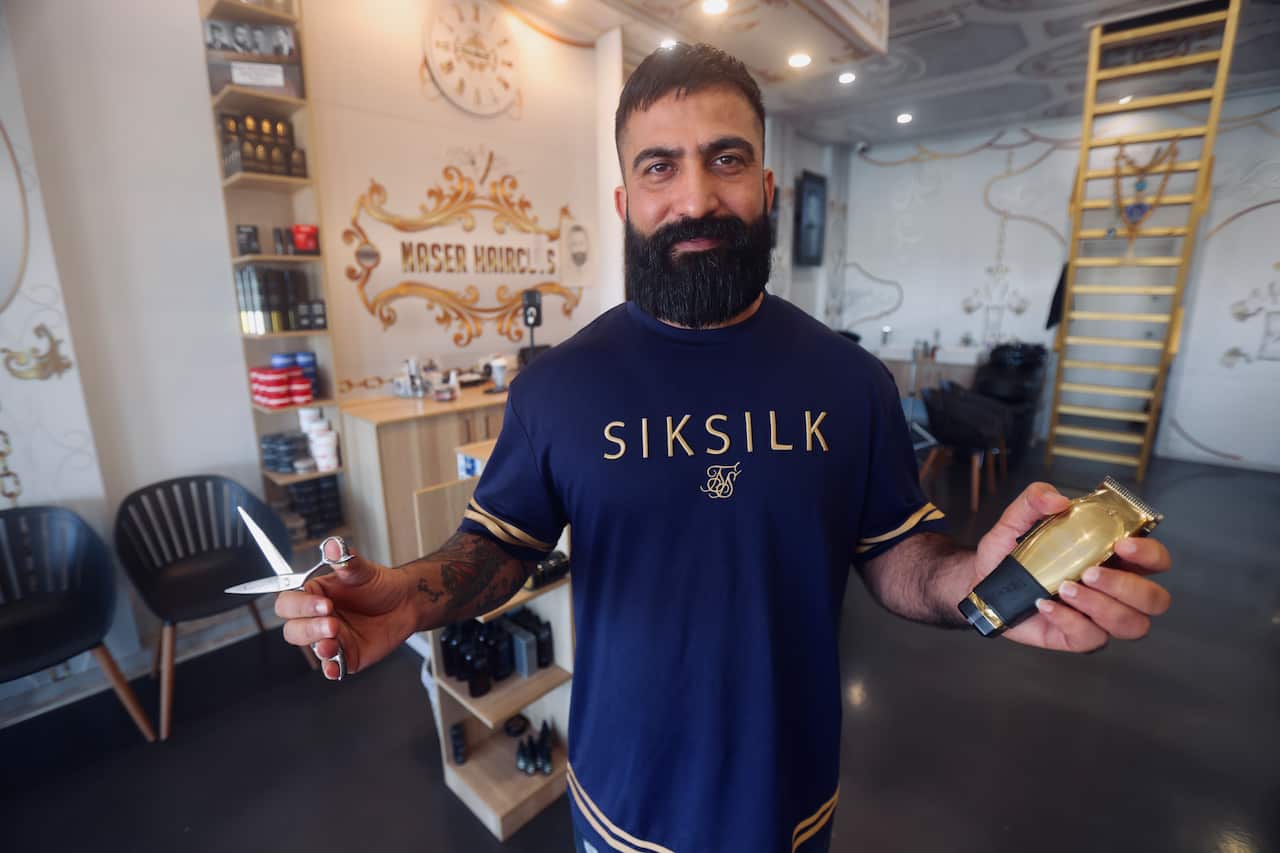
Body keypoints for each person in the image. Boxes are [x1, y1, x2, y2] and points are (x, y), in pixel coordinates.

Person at [275, 43, 1172, 853]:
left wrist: (974, 577)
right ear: (626, 202)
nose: (696, 197)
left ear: (768, 188)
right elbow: (500, 546)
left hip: (792, 792)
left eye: (727, 159)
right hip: (624, 795)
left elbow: (897, 549)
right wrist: (406, 598)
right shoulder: (559, 389)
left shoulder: (850, 383)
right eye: (661, 167)